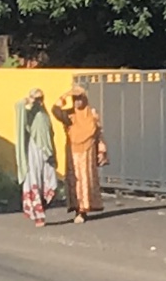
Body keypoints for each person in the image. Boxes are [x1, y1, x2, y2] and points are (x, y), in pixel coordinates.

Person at [50, 85, 107, 224]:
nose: (77, 102)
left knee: (87, 181)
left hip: (88, 154)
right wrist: (65, 95)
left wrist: (102, 151)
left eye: (80, 99)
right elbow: (55, 110)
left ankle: (84, 210)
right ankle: (78, 211)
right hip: (74, 154)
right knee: (76, 182)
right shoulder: (69, 115)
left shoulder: (92, 115)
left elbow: (99, 134)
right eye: (75, 99)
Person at [13, 89, 58, 227]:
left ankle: (43, 205)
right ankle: (38, 215)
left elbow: (49, 133)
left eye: (41, 98)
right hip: (33, 149)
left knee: (51, 181)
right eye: (37, 98)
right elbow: (18, 106)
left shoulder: (44, 114)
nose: (39, 101)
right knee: (35, 180)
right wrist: (29, 100)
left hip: (47, 151)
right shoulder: (28, 113)